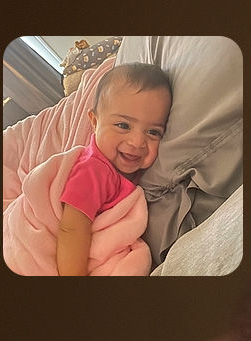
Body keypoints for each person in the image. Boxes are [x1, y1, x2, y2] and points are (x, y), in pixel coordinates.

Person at [56, 62, 171, 276]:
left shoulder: (133, 169)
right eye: (123, 126)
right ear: (94, 122)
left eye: (153, 132)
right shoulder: (94, 169)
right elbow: (72, 228)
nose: (137, 142)